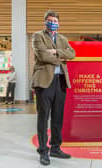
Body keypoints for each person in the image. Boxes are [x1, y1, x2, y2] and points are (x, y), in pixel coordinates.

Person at [32, 10, 75, 166]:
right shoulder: (38, 36)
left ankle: (55, 148)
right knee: (44, 117)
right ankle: (43, 150)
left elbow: (72, 54)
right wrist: (61, 57)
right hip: (44, 81)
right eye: (50, 20)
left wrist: (56, 51)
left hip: (60, 81)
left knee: (58, 117)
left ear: (58, 23)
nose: (53, 23)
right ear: (45, 22)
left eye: (55, 21)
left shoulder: (62, 38)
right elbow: (43, 56)